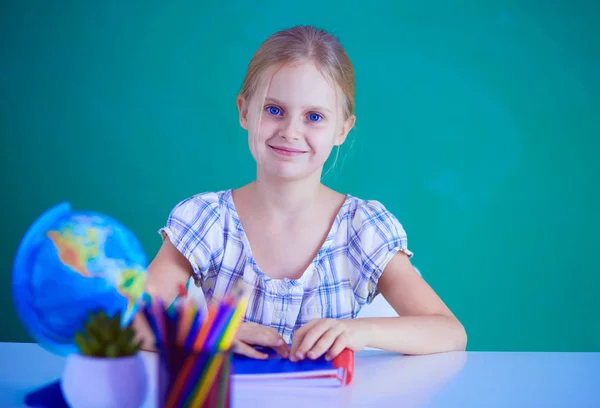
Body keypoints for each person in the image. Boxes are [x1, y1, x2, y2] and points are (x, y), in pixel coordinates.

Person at [136, 25, 467, 361]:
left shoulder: (362, 229)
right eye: (274, 109)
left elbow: (449, 332)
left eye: (314, 116)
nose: (291, 132)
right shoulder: (205, 220)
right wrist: (206, 332)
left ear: (342, 129)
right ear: (244, 111)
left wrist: (360, 331)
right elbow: (131, 322)